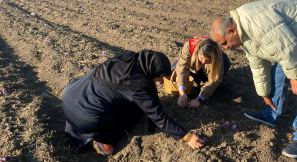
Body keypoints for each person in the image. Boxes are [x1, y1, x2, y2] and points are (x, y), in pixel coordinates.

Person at [211, 0, 297, 159]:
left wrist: (296, 76)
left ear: (232, 31)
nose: (225, 48)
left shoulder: (255, 22)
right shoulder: (243, 34)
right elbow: (258, 64)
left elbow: (286, 46)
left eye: (224, 43)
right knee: (279, 74)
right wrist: (264, 94)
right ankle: (270, 115)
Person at [62, 50, 205, 155]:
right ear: (154, 73)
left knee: (116, 99)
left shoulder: (127, 56)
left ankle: (75, 126)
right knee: (135, 113)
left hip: (70, 95)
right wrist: (187, 136)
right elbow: (159, 117)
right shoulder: (139, 85)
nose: (160, 82)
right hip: (86, 118)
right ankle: (103, 139)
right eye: (160, 79)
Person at [173, 37, 230, 108]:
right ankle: (197, 74)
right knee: (175, 68)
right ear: (197, 52)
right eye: (202, 58)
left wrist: (199, 99)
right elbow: (182, 68)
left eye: (207, 60)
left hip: (221, 61)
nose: (203, 61)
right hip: (194, 60)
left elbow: (214, 79)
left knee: (206, 81)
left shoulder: (217, 56)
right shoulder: (189, 47)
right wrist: (182, 92)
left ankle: (200, 76)